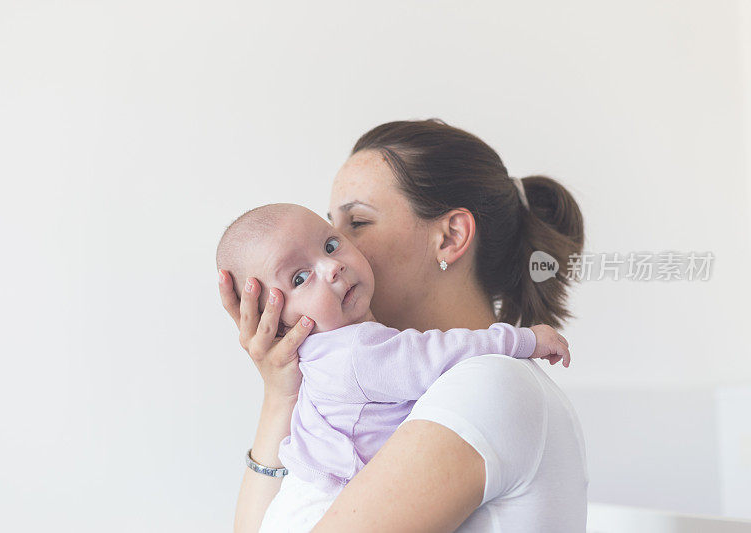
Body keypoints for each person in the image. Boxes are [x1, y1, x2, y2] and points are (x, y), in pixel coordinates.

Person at [219, 119, 588, 532]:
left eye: (355, 223)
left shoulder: (489, 384)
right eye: (329, 226)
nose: (338, 253)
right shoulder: (399, 391)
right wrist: (280, 394)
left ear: (449, 237)